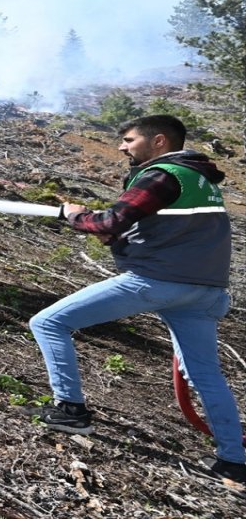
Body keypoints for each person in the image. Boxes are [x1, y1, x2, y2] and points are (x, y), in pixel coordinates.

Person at [27, 114, 245, 485]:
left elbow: (112, 221)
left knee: (48, 322)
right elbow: (168, 233)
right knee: (206, 374)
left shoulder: (162, 175)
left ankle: (71, 411)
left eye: (129, 140)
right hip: (205, 291)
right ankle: (234, 460)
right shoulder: (200, 179)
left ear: (158, 141)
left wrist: (76, 216)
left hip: (156, 281)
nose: (122, 147)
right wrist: (115, 238)